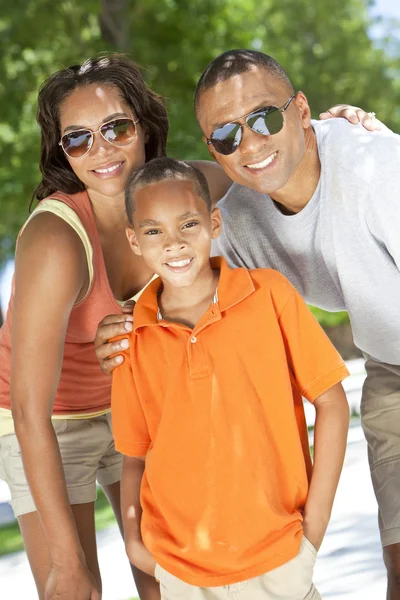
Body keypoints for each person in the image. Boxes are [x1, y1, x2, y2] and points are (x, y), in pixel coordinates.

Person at [0, 54, 231, 600]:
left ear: (144, 125)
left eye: (116, 127)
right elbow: (30, 409)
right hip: (46, 425)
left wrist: (328, 127)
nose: (100, 150)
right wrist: (66, 560)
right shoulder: (56, 242)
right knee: (75, 587)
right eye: (77, 139)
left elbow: (260, 165)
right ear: (64, 153)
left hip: (131, 405)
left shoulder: (180, 190)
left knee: (171, 577)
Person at [110, 156, 350, 600]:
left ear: (214, 222)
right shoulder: (132, 339)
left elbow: (332, 401)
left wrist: (312, 535)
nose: (173, 243)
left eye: (188, 224)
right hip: (183, 576)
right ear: (134, 240)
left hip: (280, 562)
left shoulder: (269, 294)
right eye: (153, 231)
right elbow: (135, 456)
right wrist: (136, 546)